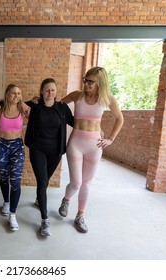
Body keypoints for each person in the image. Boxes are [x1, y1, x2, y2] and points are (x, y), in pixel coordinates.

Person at [58, 66, 124, 233]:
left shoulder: (106, 98)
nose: (86, 84)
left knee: (87, 183)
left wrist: (111, 139)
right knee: (76, 182)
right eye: (85, 80)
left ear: (100, 82)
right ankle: (66, 200)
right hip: (75, 143)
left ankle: (80, 216)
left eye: (90, 82)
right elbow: (56, 106)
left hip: (95, 146)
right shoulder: (76, 95)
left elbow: (119, 118)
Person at [24, 78, 74, 236]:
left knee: (44, 182)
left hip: (55, 152)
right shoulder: (35, 106)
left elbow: (75, 122)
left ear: (56, 92)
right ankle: (45, 220)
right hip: (37, 149)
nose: (50, 93)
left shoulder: (62, 108)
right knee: (43, 181)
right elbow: (18, 103)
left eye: (52, 90)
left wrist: (94, 129)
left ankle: (39, 199)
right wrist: (30, 100)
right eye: (47, 90)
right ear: (41, 91)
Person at [0, 84, 30, 231]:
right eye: (13, 93)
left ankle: (13, 215)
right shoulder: (0, 109)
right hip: (1, 146)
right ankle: (6, 202)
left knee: (15, 180)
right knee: (4, 177)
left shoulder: (22, 109)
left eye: (19, 93)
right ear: (7, 94)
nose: (17, 96)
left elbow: (38, 114)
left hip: (17, 147)